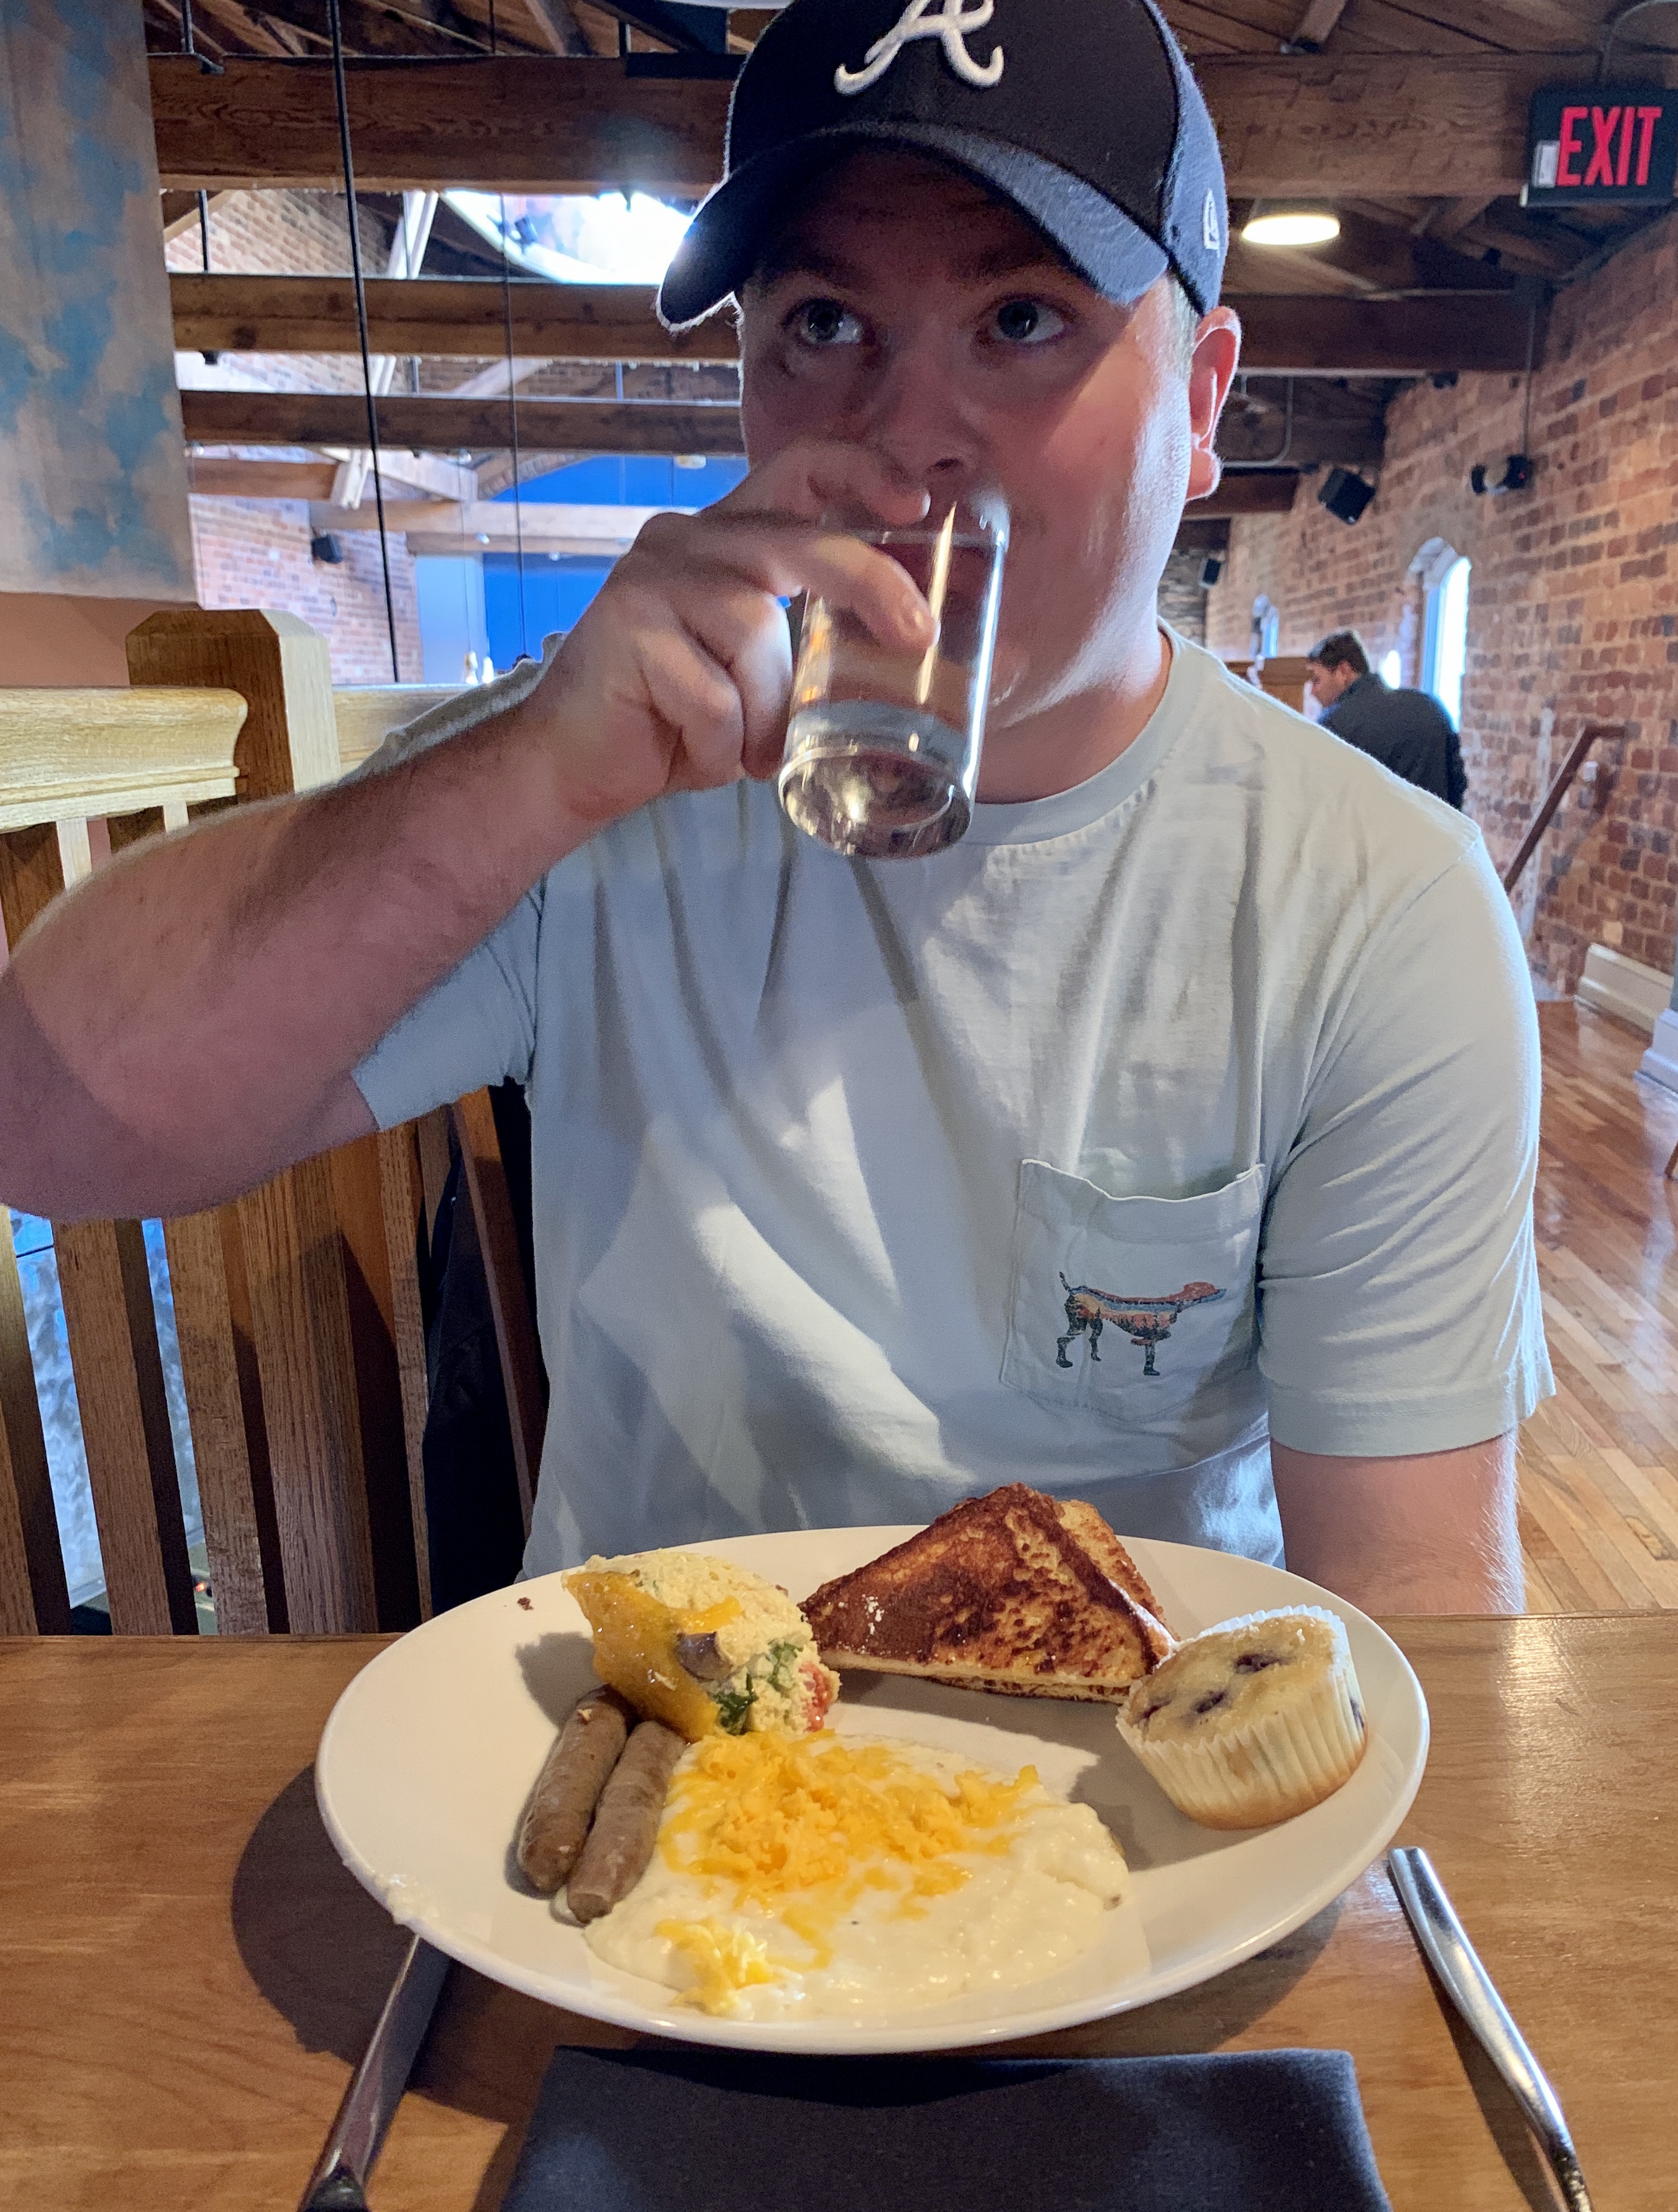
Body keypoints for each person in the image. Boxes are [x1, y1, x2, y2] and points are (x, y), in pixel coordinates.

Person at [0, 0, 1551, 1617]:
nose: (908, 435)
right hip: (653, 1730)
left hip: (1122, 1749)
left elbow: (1416, 1583)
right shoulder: (594, 775)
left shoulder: (1374, 901)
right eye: (823, 323)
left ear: (1204, 397)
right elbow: (45, 1121)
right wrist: (522, 776)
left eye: (1022, 317)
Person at [1306, 629, 1468, 810]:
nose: (1313, 691)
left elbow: (1324, 802)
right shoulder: (1430, 706)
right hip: (1436, 825)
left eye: (1317, 680)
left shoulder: (1334, 725)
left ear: (1344, 671)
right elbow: (1457, 785)